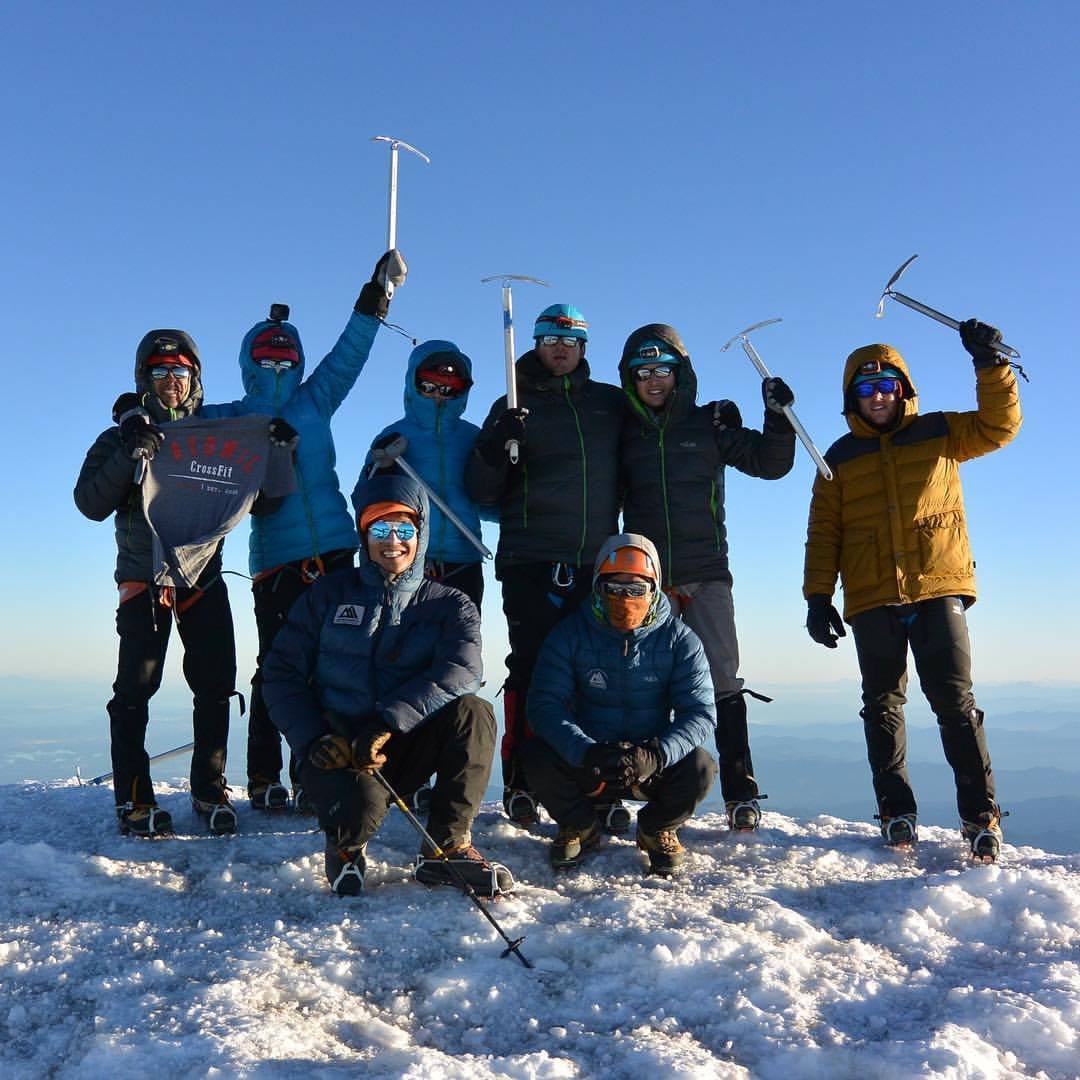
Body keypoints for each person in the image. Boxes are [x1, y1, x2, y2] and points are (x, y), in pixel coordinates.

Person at [803, 320, 1022, 861]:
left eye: (885, 388)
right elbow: (823, 531)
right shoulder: (838, 457)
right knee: (882, 705)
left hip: (937, 587)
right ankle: (896, 813)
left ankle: (980, 816)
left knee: (955, 703)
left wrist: (991, 366)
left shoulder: (940, 432)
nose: (877, 398)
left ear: (903, 390)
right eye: (864, 391)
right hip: (871, 595)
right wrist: (817, 597)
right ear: (850, 398)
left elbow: (1000, 426)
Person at [202, 251, 404, 813]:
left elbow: (350, 356)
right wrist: (137, 412)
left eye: (284, 357)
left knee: (339, 664)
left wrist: (374, 301)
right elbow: (179, 432)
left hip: (339, 549)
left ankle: (317, 776)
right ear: (248, 362)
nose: (276, 365)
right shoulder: (232, 417)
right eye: (266, 358)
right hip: (276, 557)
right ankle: (265, 777)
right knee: (278, 667)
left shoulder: (316, 400)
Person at [260, 470, 514, 897]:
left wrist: (389, 721)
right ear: (364, 535)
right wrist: (312, 738)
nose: (392, 539)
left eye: (403, 527)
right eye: (379, 527)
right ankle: (346, 843)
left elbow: (462, 669)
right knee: (356, 814)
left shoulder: (449, 603)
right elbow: (280, 673)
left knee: (474, 713)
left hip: (406, 738)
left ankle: (446, 848)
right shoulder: (327, 595)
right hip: (339, 743)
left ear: (421, 533)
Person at [618, 324, 795, 832]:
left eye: (663, 370)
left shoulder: (708, 425)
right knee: (651, 685)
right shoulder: (624, 434)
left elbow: (770, 464)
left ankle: (740, 792)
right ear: (630, 377)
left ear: (681, 374)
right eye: (643, 371)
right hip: (648, 581)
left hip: (708, 574)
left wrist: (777, 416)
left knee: (722, 680)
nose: (654, 380)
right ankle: (656, 793)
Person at [75, 331, 241, 836]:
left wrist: (275, 446)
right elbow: (89, 503)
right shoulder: (119, 438)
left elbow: (264, 493)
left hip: (202, 575)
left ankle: (209, 793)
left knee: (215, 686)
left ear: (195, 378)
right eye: (159, 372)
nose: (171, 380)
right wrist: (130, 451)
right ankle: (134, 800)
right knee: (135, 690)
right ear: (144, 379)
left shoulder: (215, 435)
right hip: (144, 579)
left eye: (180, 371)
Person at [465, 304, 624, 827]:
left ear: (583, 347)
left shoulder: (607, 404)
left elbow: (655, 438)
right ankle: (521, 781)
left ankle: (598, 783)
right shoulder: (511, 403)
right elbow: (482, 491)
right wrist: (495, 445)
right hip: (531, 559)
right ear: (533, 344)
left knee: (596, 675)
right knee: (531, 670)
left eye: (571, 339)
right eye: (550, 338)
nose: (560, 347)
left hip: (595, 561)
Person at [524, 533, 717, 876]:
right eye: (614, 588)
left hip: (649, 762)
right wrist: (585, 752)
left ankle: (657, 827)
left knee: (700, 766)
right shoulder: (571, 634)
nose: (624, 598)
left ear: (654, 589)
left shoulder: (679, 639)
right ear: (598, 586)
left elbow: (700, 713)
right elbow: (544, 705)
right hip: (592, 759)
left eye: (636, 589)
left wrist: (657, 755)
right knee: (537, 754)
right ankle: (580, 826)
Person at [366, 340, 490, 609]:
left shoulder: (473, 437)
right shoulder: (393, 437)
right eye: (428, 386)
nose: (437, 395)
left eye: (448, 389)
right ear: (413, 383)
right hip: (408, 561)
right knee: (404, 646)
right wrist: (379, 467)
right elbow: (365, 499)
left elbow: (489, 503)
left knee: (461, 643)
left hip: (464, 560)